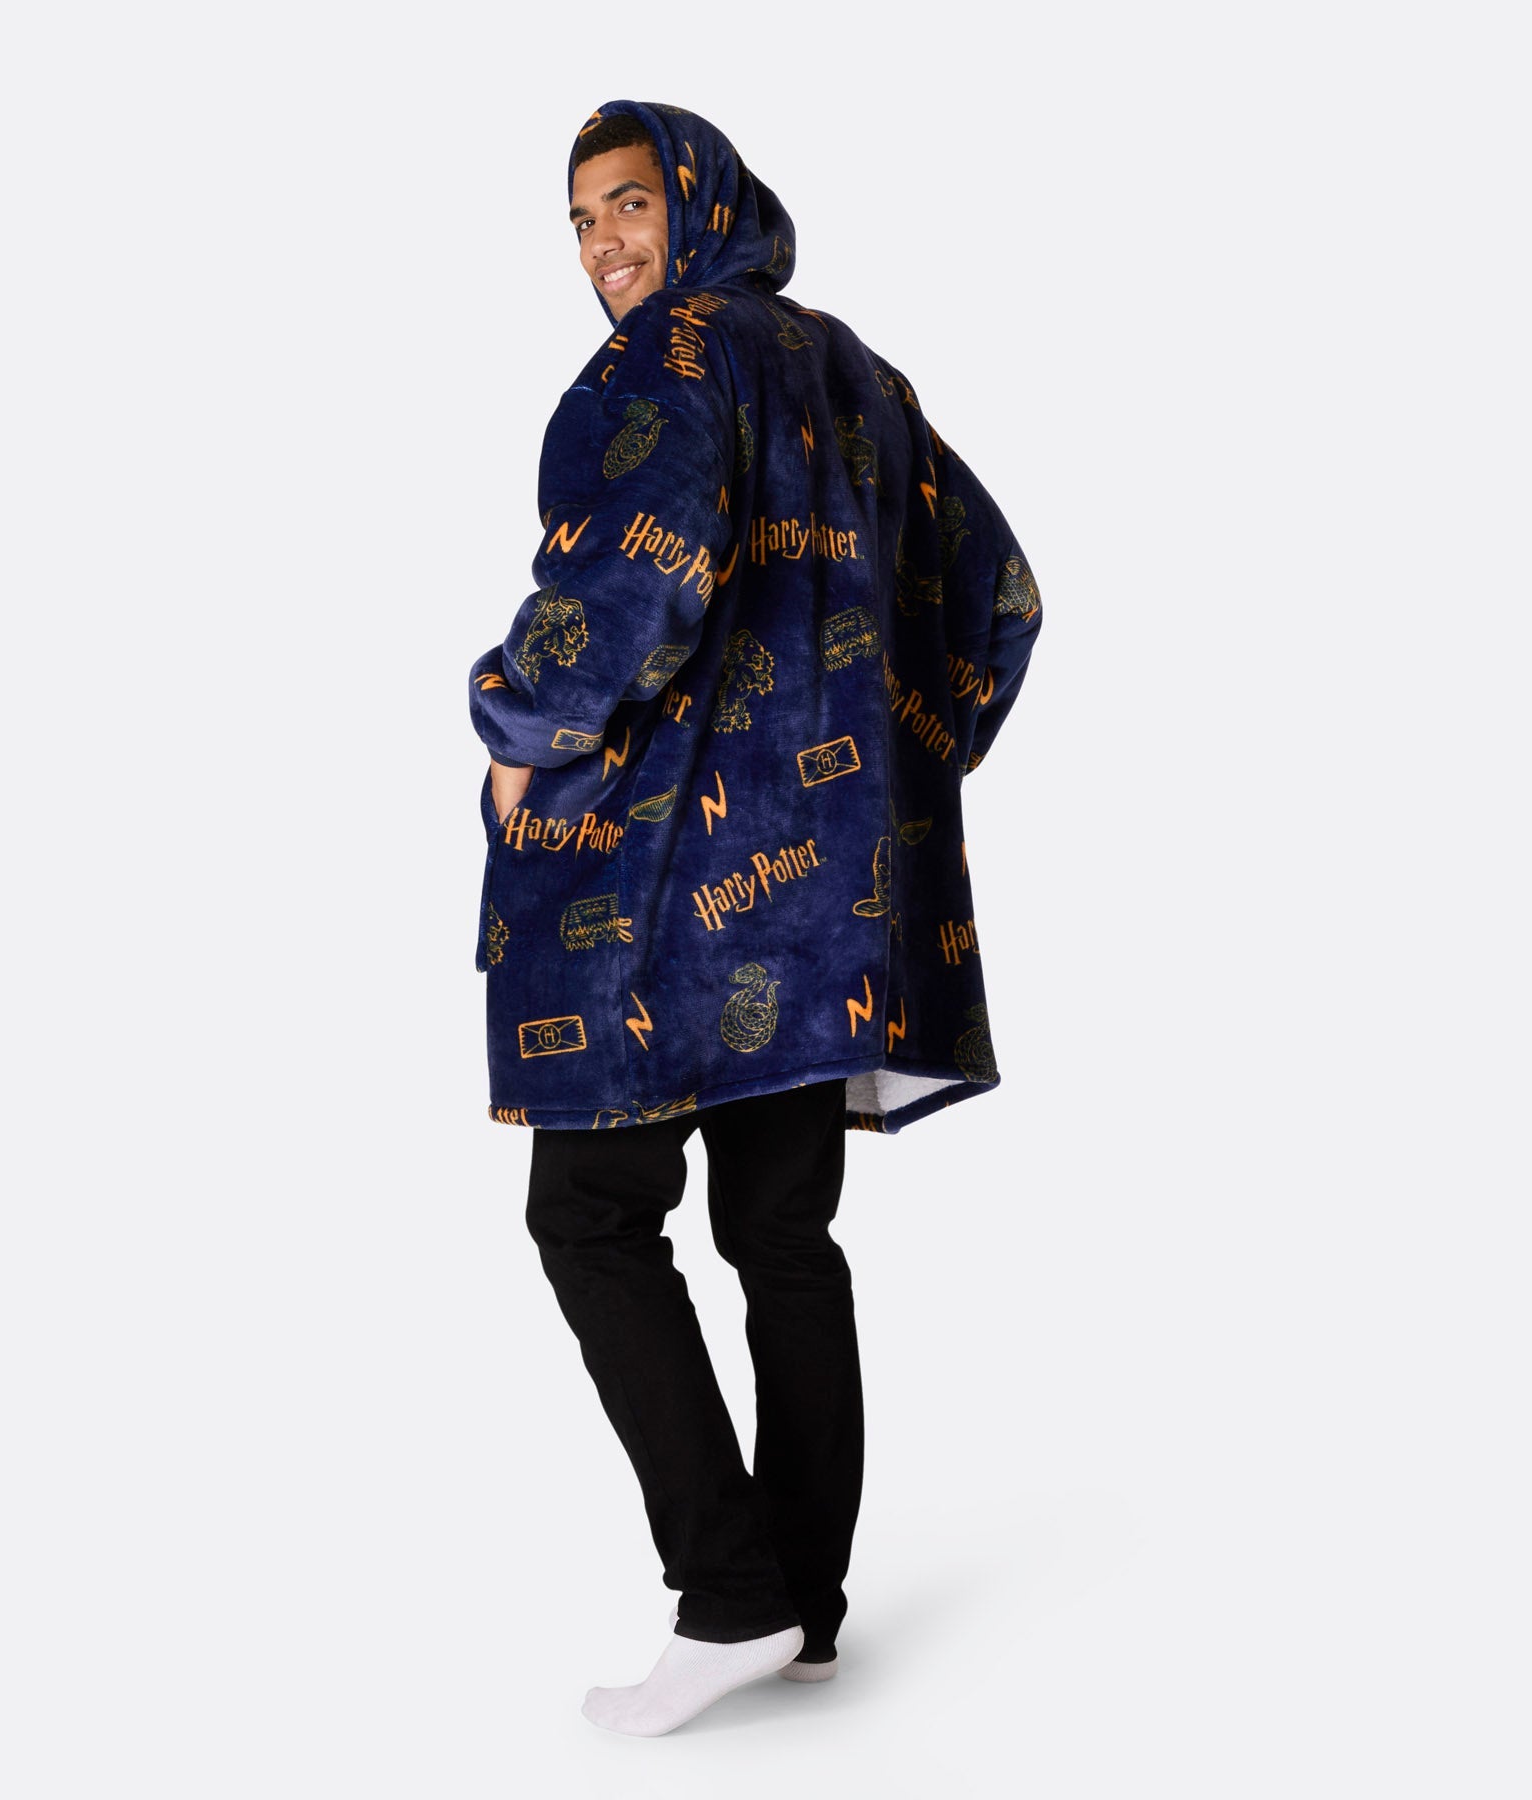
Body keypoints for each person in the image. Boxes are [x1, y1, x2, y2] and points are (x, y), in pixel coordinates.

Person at [467, 99, 1043, 1736]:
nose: (606, 244)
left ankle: (729, 1595)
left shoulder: (666, 362)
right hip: (824, 910)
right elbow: (1002, 596)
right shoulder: (855, 373)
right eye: (582, 220)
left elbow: (625, 587)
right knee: (782, 1235)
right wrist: (893, 779)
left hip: (664, 895)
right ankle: (803, 1610)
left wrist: (518, 733)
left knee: (589, 1215)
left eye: (630, 204)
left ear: (700, 199)